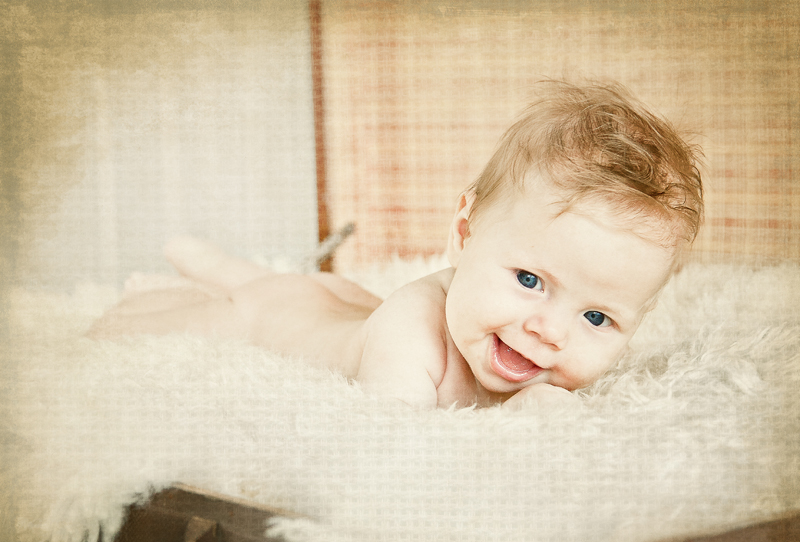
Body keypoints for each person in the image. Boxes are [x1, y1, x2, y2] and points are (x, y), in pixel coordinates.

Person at [90, 81, 703, 410]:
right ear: (464, 232)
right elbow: (394, 448)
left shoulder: (530, 345)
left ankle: (221, 267)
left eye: (597, 317)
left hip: (340, 300)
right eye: (529, 280)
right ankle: (172, 290)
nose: (550, 332)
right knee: (214, 315)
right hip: (275, 318)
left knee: (325, 292)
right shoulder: (411, 334)